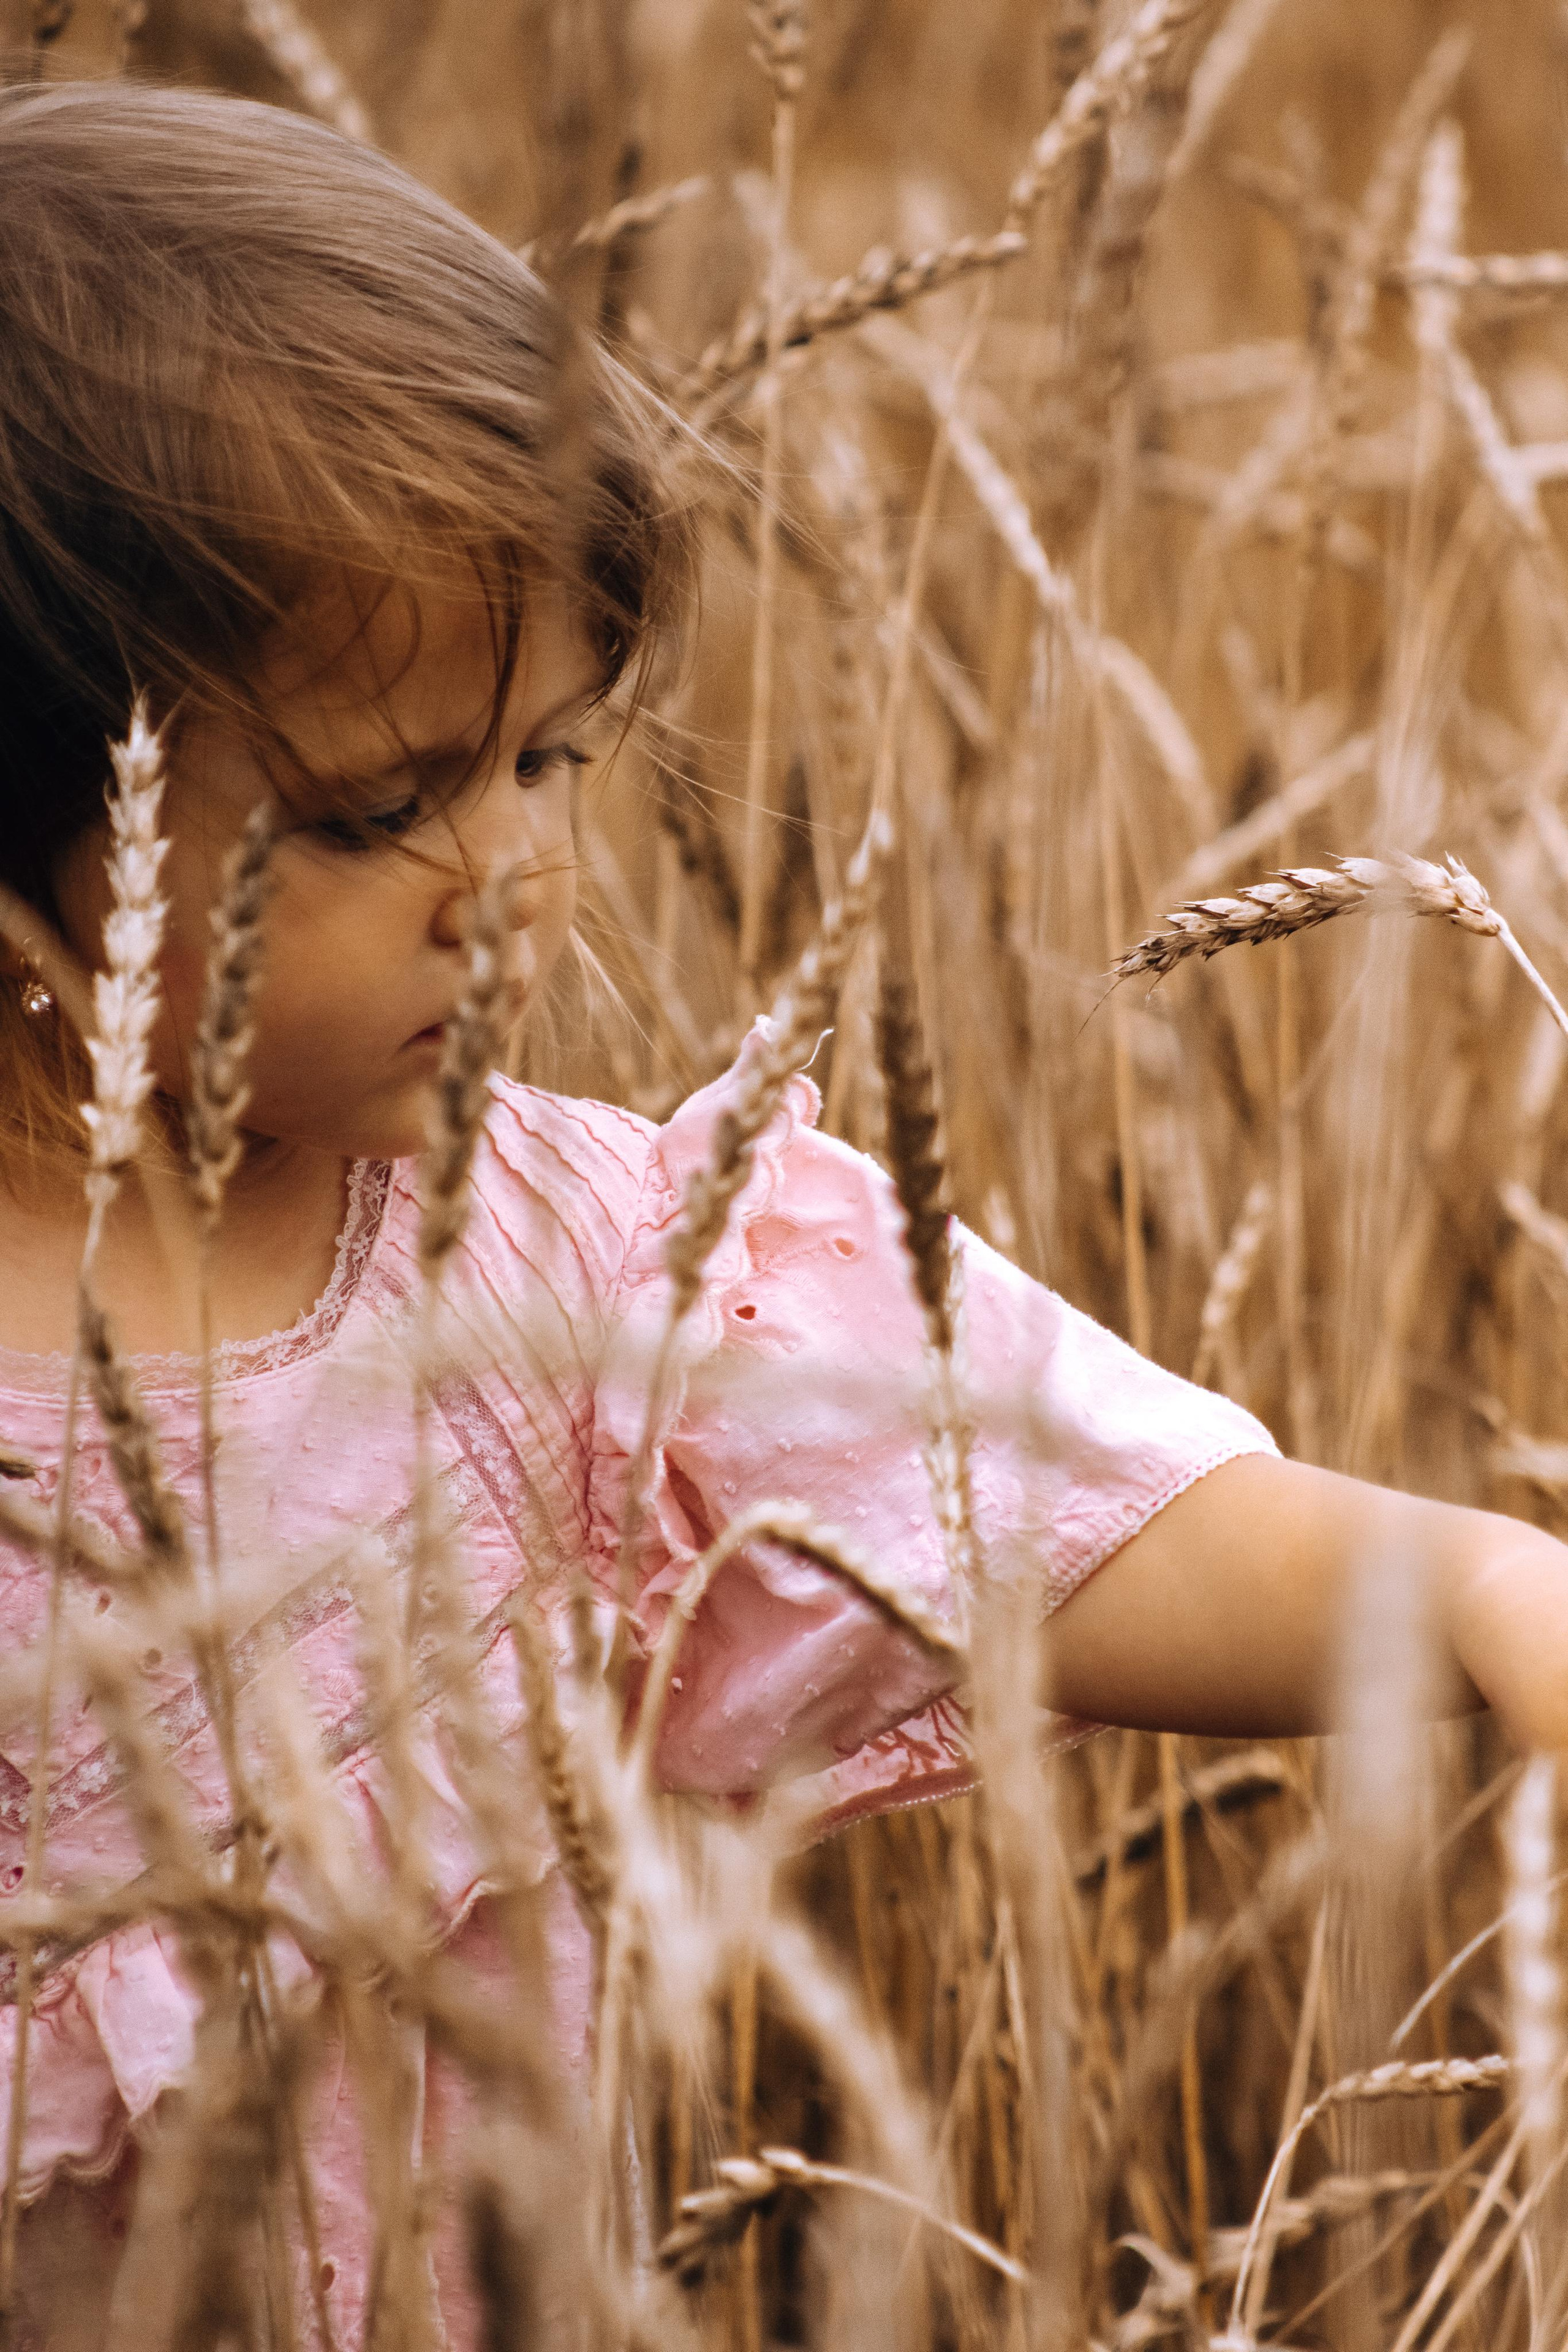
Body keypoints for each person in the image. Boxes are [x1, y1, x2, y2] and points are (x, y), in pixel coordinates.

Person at [0, 74, 1562, 2348]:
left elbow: (1054, 1507)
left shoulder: (579, 1291)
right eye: (373, 810)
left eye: (546, 760)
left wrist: (1500, 1585)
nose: (513, 884)